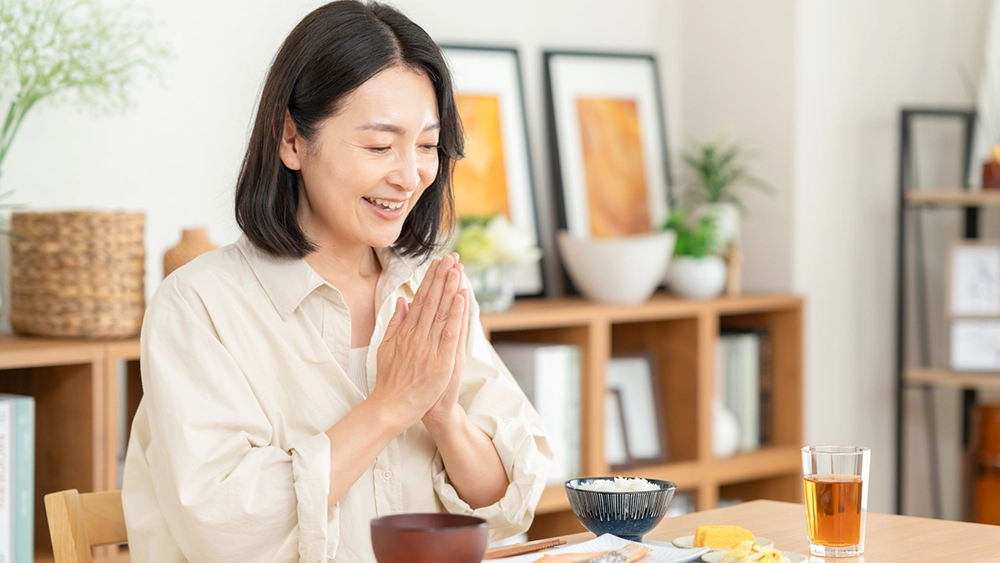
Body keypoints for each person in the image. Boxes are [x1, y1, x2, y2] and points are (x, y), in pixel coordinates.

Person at [121, 2, 553, 561]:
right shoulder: (198, 306)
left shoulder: (426, 289)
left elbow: (509, 504)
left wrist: (444, 415)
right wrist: (390, 406)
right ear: (292, 140)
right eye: (379, 146)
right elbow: (225, 529)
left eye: (427, 145)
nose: (410, 175)